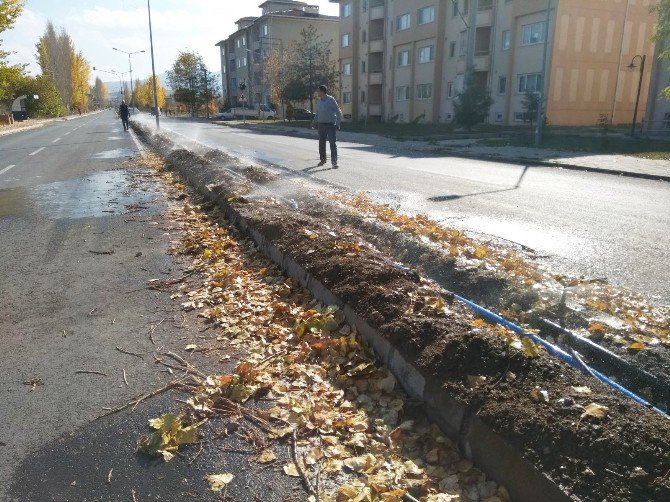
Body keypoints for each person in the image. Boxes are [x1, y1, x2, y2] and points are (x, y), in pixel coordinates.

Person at [312, 85, 342, 168]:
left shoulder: (331, 100)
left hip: (330, 125)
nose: (317, 93)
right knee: (321, 143)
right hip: (321, 125)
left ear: (323, 92)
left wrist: (338, 123)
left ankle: (334, 162)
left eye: (318, 91)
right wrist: (314, 122)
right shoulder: (319, 101)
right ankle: (322, 160)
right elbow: (317, 113)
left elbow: (338, 112)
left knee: (332, 143)